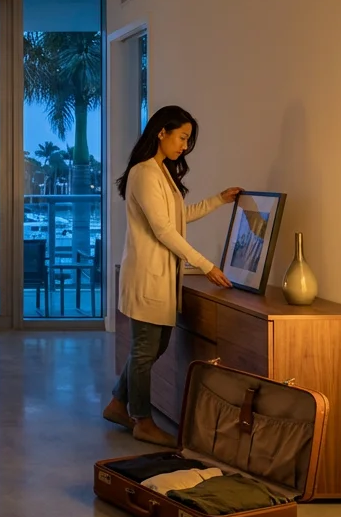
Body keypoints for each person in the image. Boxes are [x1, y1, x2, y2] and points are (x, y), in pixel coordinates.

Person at [103, 106, 240, 447]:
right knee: (145, 349)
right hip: (146, 275)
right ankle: (142, 420)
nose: (185, 146)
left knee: (154, 346)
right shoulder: (144, 173)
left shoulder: (161, 171)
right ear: (162, 132)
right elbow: (164, 230)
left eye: (188, 140)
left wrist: (219, 200)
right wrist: (206, 265)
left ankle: (118, 403)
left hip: (161, 276)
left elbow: (178, 216)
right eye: (182, 137)